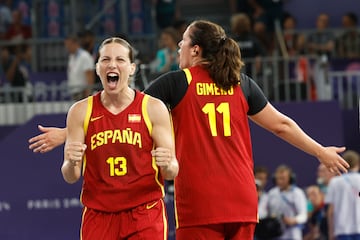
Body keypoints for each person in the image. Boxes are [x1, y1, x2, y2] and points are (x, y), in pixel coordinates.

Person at [29, 20, 349, 240]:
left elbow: (125, 110)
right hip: (242, 199)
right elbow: (281, 125)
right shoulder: (240, 84)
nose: (179, 47)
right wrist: (319, 151)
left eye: (183, 42)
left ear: (195, 51)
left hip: (200, 201)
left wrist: (70, 132)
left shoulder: (178, 82)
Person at [61, 37, 178, 239]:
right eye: (105, 59)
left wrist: (167, 164)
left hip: (144, 213)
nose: (112, 64)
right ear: (97, 67)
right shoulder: (80, 111)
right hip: (99, 216)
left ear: (132, 68)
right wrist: (71, 162)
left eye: (120, 60)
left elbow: (171, 171)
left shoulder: (153, 108)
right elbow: (70, 176)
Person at [265, 165, 308, 240]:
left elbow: (304, 215)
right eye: (278, 178)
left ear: (290, 179)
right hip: (274, 234)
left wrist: (293, 220)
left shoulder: (297, 193)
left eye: (283, 178)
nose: (280, 181)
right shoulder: (272, 193)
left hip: (292, 234)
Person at [326, 150, 360, 240]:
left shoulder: (335, 182)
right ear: (358, 163)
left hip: (342, 229)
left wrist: (330, 232)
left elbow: (330, 211)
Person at [64, 33, 95, 101]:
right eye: (66, 45)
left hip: (83, 92)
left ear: (75, 44)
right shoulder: (72, 57)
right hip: (75, 91)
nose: (67, 47)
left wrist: (88, 94)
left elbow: (89, 75)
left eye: (69, 45)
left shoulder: (85, 56)